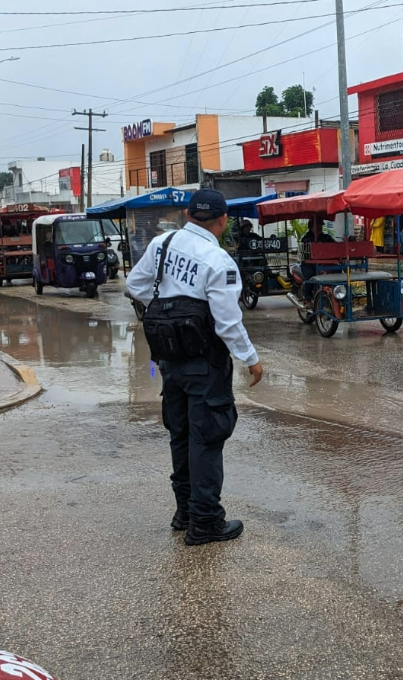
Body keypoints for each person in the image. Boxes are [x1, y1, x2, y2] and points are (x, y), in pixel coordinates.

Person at [125, 189, 264, 546]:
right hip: (206, 363)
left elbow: (134, 285)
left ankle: (184, 512)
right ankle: (205, 522)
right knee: (207, 438)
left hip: (169, 359)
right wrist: (250, 358)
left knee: (181, 434)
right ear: (223, 221)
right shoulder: (218, 261)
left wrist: (170, 312)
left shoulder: (162, 244)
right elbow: (227, 322)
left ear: (188, 214)